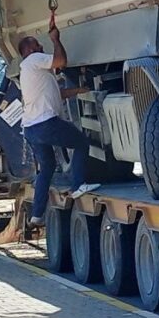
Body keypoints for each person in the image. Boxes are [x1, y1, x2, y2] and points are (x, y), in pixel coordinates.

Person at [18, 19, 98, 227]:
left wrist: (78, 91)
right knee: (81, 143)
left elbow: (57, 94)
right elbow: (61, 60)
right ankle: (78, 185)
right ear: (29, 49)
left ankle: (36, 215)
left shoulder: (28, 70)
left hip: (31, 128)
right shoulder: (35, 59)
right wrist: (55, 39)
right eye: (36, 44)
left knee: (47, 168)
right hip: (46, 124)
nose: (40, 46)